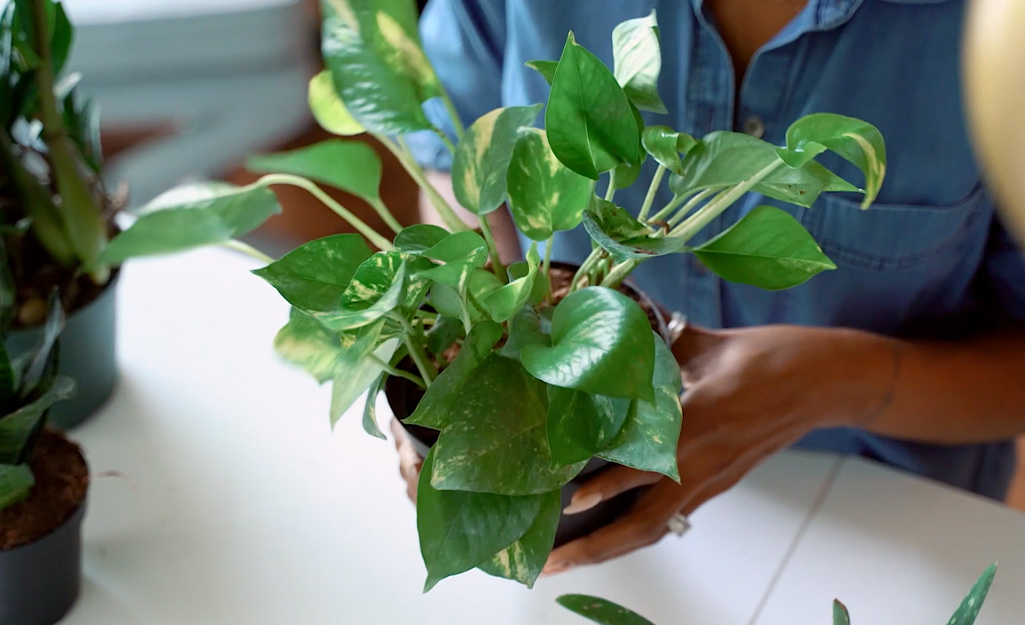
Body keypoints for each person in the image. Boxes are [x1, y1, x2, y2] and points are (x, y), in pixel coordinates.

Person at [394, 0, 1025, 576]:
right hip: (601, 486)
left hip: (887, 513)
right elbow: (457, 158)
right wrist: (462, 347)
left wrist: (841, 380)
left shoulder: (997, 37)